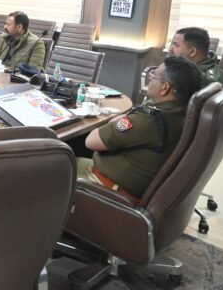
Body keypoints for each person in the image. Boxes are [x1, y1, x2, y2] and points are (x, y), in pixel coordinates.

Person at [76, 56, 203, 202]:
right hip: (132, 183)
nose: (150, 79)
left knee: (56, 162)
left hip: (107, 187)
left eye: (154, 76)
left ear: (165, 87)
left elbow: (91, 141)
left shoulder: (150, 119)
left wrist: (120, 119)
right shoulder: (185, 113)